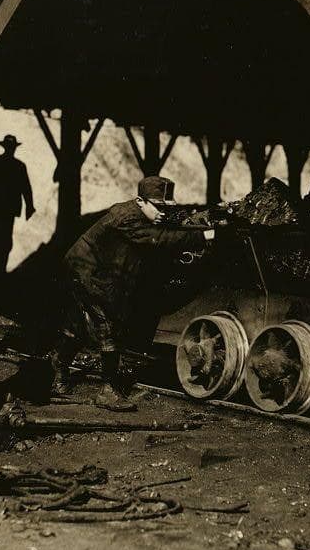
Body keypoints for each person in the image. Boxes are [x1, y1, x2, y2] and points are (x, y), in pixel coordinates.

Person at [49, 176, 217, 412]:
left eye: (166, 208)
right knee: (107, 324)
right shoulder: (127, 217)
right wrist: (203, 236)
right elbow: (158, 238)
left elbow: (162, 231)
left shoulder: (143, 214)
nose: (162, 213)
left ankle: (59, 367)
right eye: (158, 207)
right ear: (140, 201)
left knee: (79, 322)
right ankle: (107, 390)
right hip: (86, 269)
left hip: (99, 269)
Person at [0, 134, 35, 276]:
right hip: (2, 210)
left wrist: (29, 206)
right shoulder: (15, 166)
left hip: (1, 210)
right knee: (2, 239)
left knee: (1, 239)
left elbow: (25, 188)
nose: (11, 149)